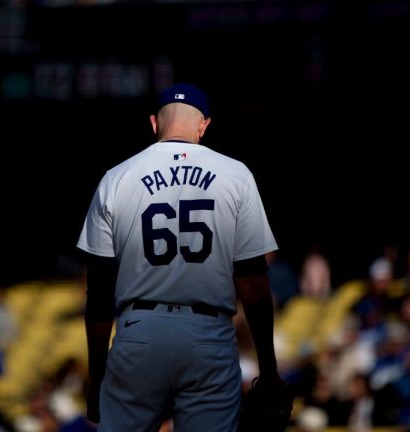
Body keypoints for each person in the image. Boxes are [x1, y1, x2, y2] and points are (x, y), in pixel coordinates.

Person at [77, 82, 284, 431]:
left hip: (139, 332)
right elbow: (253, 283)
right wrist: (269, 369)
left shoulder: (116, 178)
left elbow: (98, 295)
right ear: (204, 125)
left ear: (154, 124)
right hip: (209, 333)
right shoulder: (236, 175)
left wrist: (97, 375)